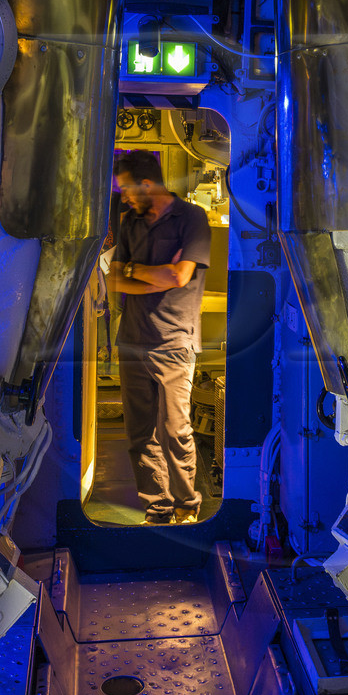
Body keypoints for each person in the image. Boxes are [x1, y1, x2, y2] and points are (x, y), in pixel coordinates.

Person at [106, 150, 213, 525]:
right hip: (132, 341)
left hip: (174, 343)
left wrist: (135, 271)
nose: (126, 196)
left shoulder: (192, 218)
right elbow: (113, 280)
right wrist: (152, 274)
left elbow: (179, 277)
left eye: (128, 189)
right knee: (140, 433)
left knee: (175, 430)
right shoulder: (129, 222)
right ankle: (158, 506)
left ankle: (187, 504)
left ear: (147, 184)